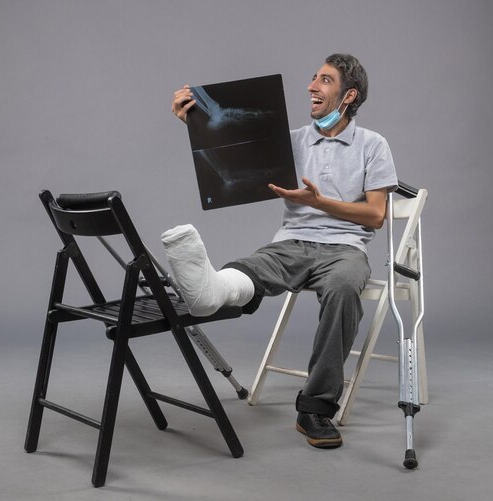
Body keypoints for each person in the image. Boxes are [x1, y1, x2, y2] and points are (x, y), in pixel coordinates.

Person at [164, 54, 397, 449]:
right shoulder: (289, 141)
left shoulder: (372, 145)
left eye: (324, 80)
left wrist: (320, 202)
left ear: (348, 95)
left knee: (343, 287)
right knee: (247, 270)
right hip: (291, 243)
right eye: (313, 78)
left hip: (345, 248)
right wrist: (195, 124)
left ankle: (315, 409)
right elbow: (229, 154)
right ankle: (209, 292)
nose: (311, 86)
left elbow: (375, 216)